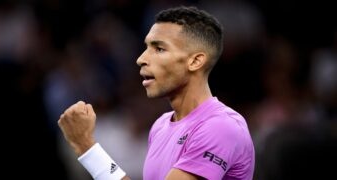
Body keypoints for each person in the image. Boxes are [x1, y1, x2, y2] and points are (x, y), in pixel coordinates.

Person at [58, 6, 255, 180]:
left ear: (195, 61)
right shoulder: (160, 126)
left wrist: (87, 147)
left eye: (159, 49)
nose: (141, 59)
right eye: (146, 47)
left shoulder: (221, 127)